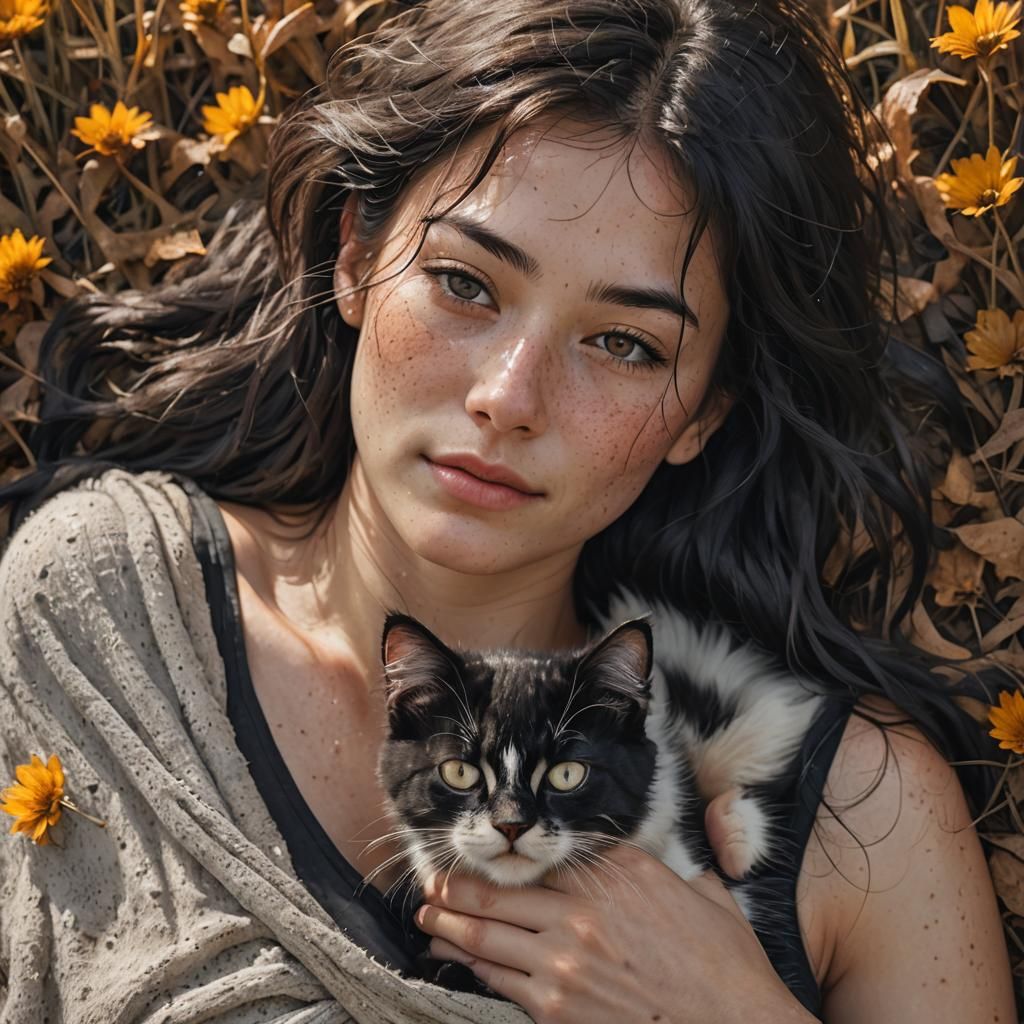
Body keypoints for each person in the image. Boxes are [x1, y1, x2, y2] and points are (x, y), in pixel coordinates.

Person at [0, 0, 1015, 1021]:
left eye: (622, 343)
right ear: (356, 256)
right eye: (463, 283)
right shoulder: (108, 616)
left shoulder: (855, 817)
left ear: (705, 408)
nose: (508, 396)